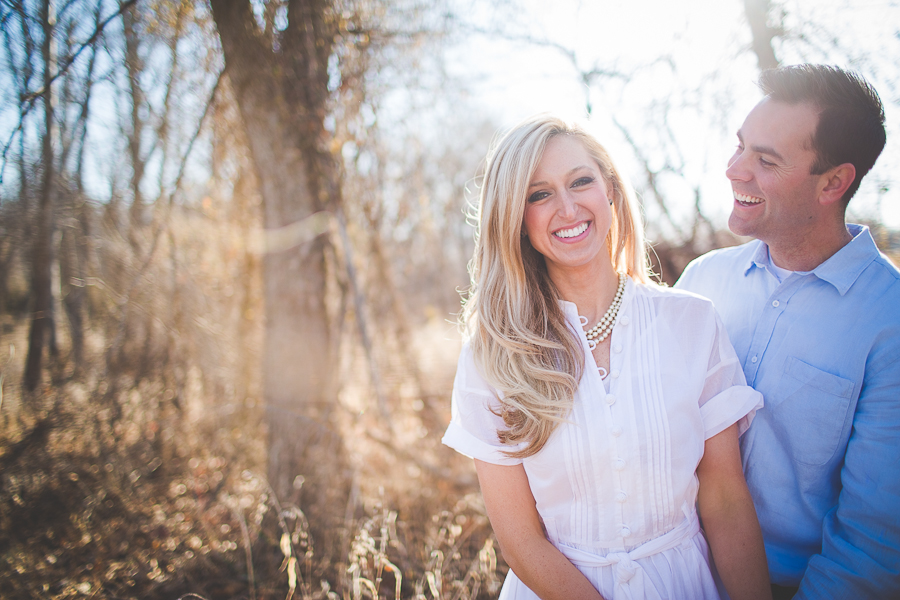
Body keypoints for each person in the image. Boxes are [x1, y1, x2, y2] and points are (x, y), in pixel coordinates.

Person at [442, 114, 772, 600]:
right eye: (539, 194)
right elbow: (520, 540)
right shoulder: (493, 354)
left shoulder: (692, 322)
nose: (568, 207)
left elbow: (723, 497)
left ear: (611, 192)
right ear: (515, 217)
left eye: (581, 182)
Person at [676, 64, 900, 599]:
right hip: (672, 573)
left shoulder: (889, 323)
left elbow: (873, 541)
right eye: (739, 147)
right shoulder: (702, 281)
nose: (734, 170)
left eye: (764, 160)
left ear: (834, 183)